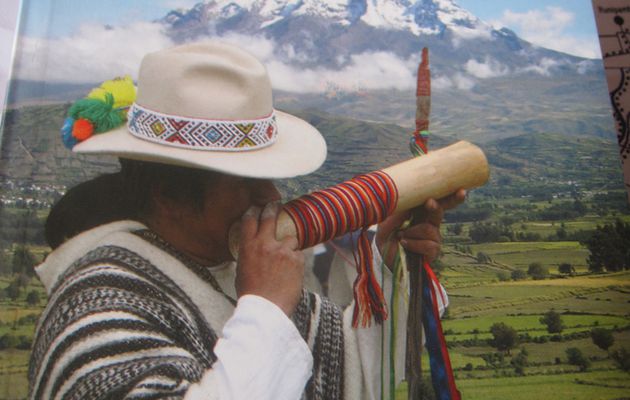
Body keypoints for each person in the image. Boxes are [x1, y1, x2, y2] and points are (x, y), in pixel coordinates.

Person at [29, 42, 465, 400]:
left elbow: (347, 373)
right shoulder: (97, 304)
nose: (271, 197)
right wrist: (268, 308)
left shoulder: (231, 269)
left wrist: (385, 256)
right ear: (169, 196)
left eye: (268, 178)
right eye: (246, 183)